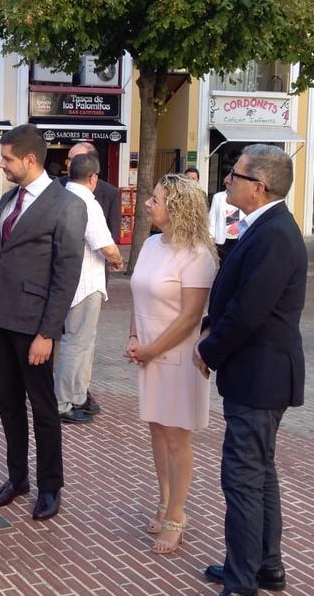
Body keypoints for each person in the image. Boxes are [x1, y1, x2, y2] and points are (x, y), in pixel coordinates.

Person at [193, 144, 306, 596]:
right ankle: (265, 567)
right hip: (256, 373)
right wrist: (208, 328)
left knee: (242, 478)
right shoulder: (263, 226)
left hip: (261, 376)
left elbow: (250, 310)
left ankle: (242, 581)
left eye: (234, 175)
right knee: (259, 473)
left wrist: (208, 350)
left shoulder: (276, 233)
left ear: (258, 187)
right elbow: (235, 296)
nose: (226, 180)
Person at [0, 123, 86, 522]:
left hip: (34, 326)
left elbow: (66, 274)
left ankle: (50, 486)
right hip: (0, 321)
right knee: (8, 405)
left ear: (30, 159)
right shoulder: (8, 199)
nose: (2, 164)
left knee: (42, 408)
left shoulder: (68, 205)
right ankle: (17, 478)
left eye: (6, 158)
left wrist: (48, 334)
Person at [126, 173, 217, 554]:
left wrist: (151, 349)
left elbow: (190, 317)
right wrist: (134, 337)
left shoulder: (198, 255)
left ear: (177, 209)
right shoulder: (149, 245)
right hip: (148, 350)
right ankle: (163, 501)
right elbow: (137, 296)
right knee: (157, 431)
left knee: (178, 438)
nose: (148, 203)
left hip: (179, 356)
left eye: (156, 199)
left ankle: (178, 515)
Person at [54, 152, 123, 425]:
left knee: (76, 341)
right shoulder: (86, 202)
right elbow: (105, 245)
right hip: (85, 284)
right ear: (93, 178)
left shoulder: (58, 197)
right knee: (77, 343)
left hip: (63, 282)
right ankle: (62, 402)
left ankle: (78, 394)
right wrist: (117, 260)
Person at [60, 141, 121, 246]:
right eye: (69, 160)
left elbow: (112, 234)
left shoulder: (110, 193)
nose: (70, 165)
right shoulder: (57, 186)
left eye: (75, 160)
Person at [207, 187, 242, 264]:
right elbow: (212, 217)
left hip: (238, 238)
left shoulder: (242, 196)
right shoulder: (218, 197)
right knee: (222, 264)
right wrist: (211, 237)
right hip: (222, 239)